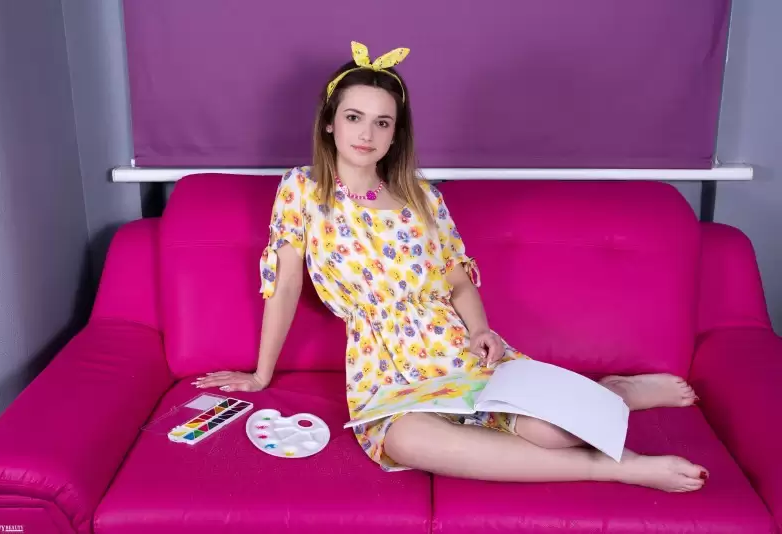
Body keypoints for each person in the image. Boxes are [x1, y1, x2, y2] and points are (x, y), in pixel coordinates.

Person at [194, 41, 707, 492]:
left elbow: (457, 280)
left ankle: (618, 391)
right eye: (353, 117)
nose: (366, 133)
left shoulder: (422, 198)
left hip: (452, 347)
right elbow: (285, 286)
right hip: (382, 368)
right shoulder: (302, 190)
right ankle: (616, 468)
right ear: (330, 122)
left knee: (556, 431)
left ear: (395, 135)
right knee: (407, 442)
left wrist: (481, 330)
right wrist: (261, 375)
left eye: (382, 122)